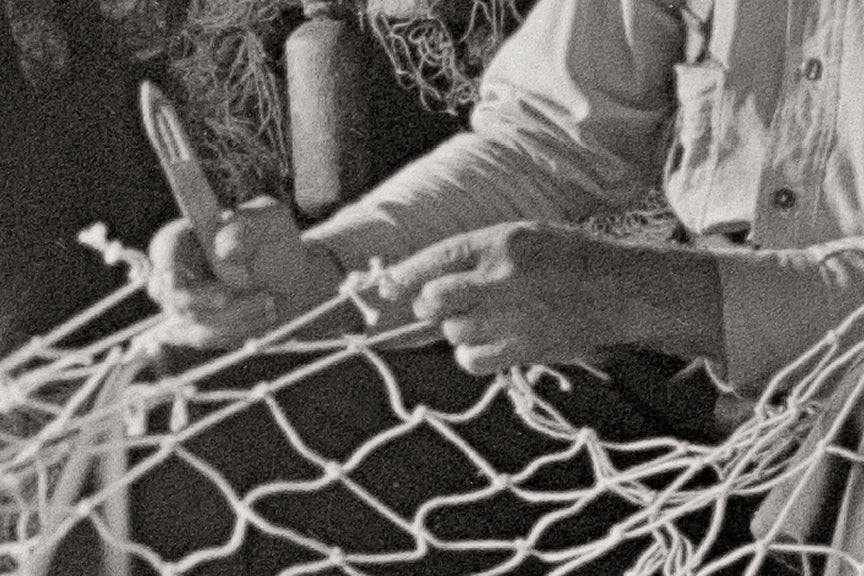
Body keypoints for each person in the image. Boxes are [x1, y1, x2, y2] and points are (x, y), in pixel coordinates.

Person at [147, 0, 864, 573]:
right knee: (190, 404)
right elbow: (546, 141)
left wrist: (647, 294)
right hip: (684, 392)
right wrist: (323, 274)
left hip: (842, 412)